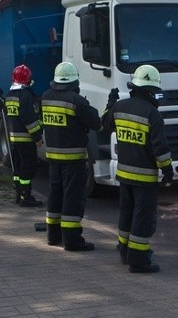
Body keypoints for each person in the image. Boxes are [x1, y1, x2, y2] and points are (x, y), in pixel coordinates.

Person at [101, 64, 174, 273]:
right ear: (151, 91)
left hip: (123, 175)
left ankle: (124, 253)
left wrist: (110, 102)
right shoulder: (153, 115)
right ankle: (139, 261)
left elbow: (105, 123)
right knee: (142, 218)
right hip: (144, 179)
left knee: (126, 214)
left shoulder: (120, 107)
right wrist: (167, 170)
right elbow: (160, 149)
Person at [41, 62, 101, 251]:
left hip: (53, 156)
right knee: (72, 198)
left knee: (55, 194)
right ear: (74, 81)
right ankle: (72, 240)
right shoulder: (76, 101)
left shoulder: (45, 97)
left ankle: (53, 235)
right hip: (73, 159)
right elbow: (96, 123)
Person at [5, 64, 44, 207]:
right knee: (28, 168)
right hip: (26, 138)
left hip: (13, 137)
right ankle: (26, 197)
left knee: (18, 167)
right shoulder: (25, 95)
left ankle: (18, 193)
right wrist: (38, 137)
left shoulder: (10, 95)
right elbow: (28, 118)